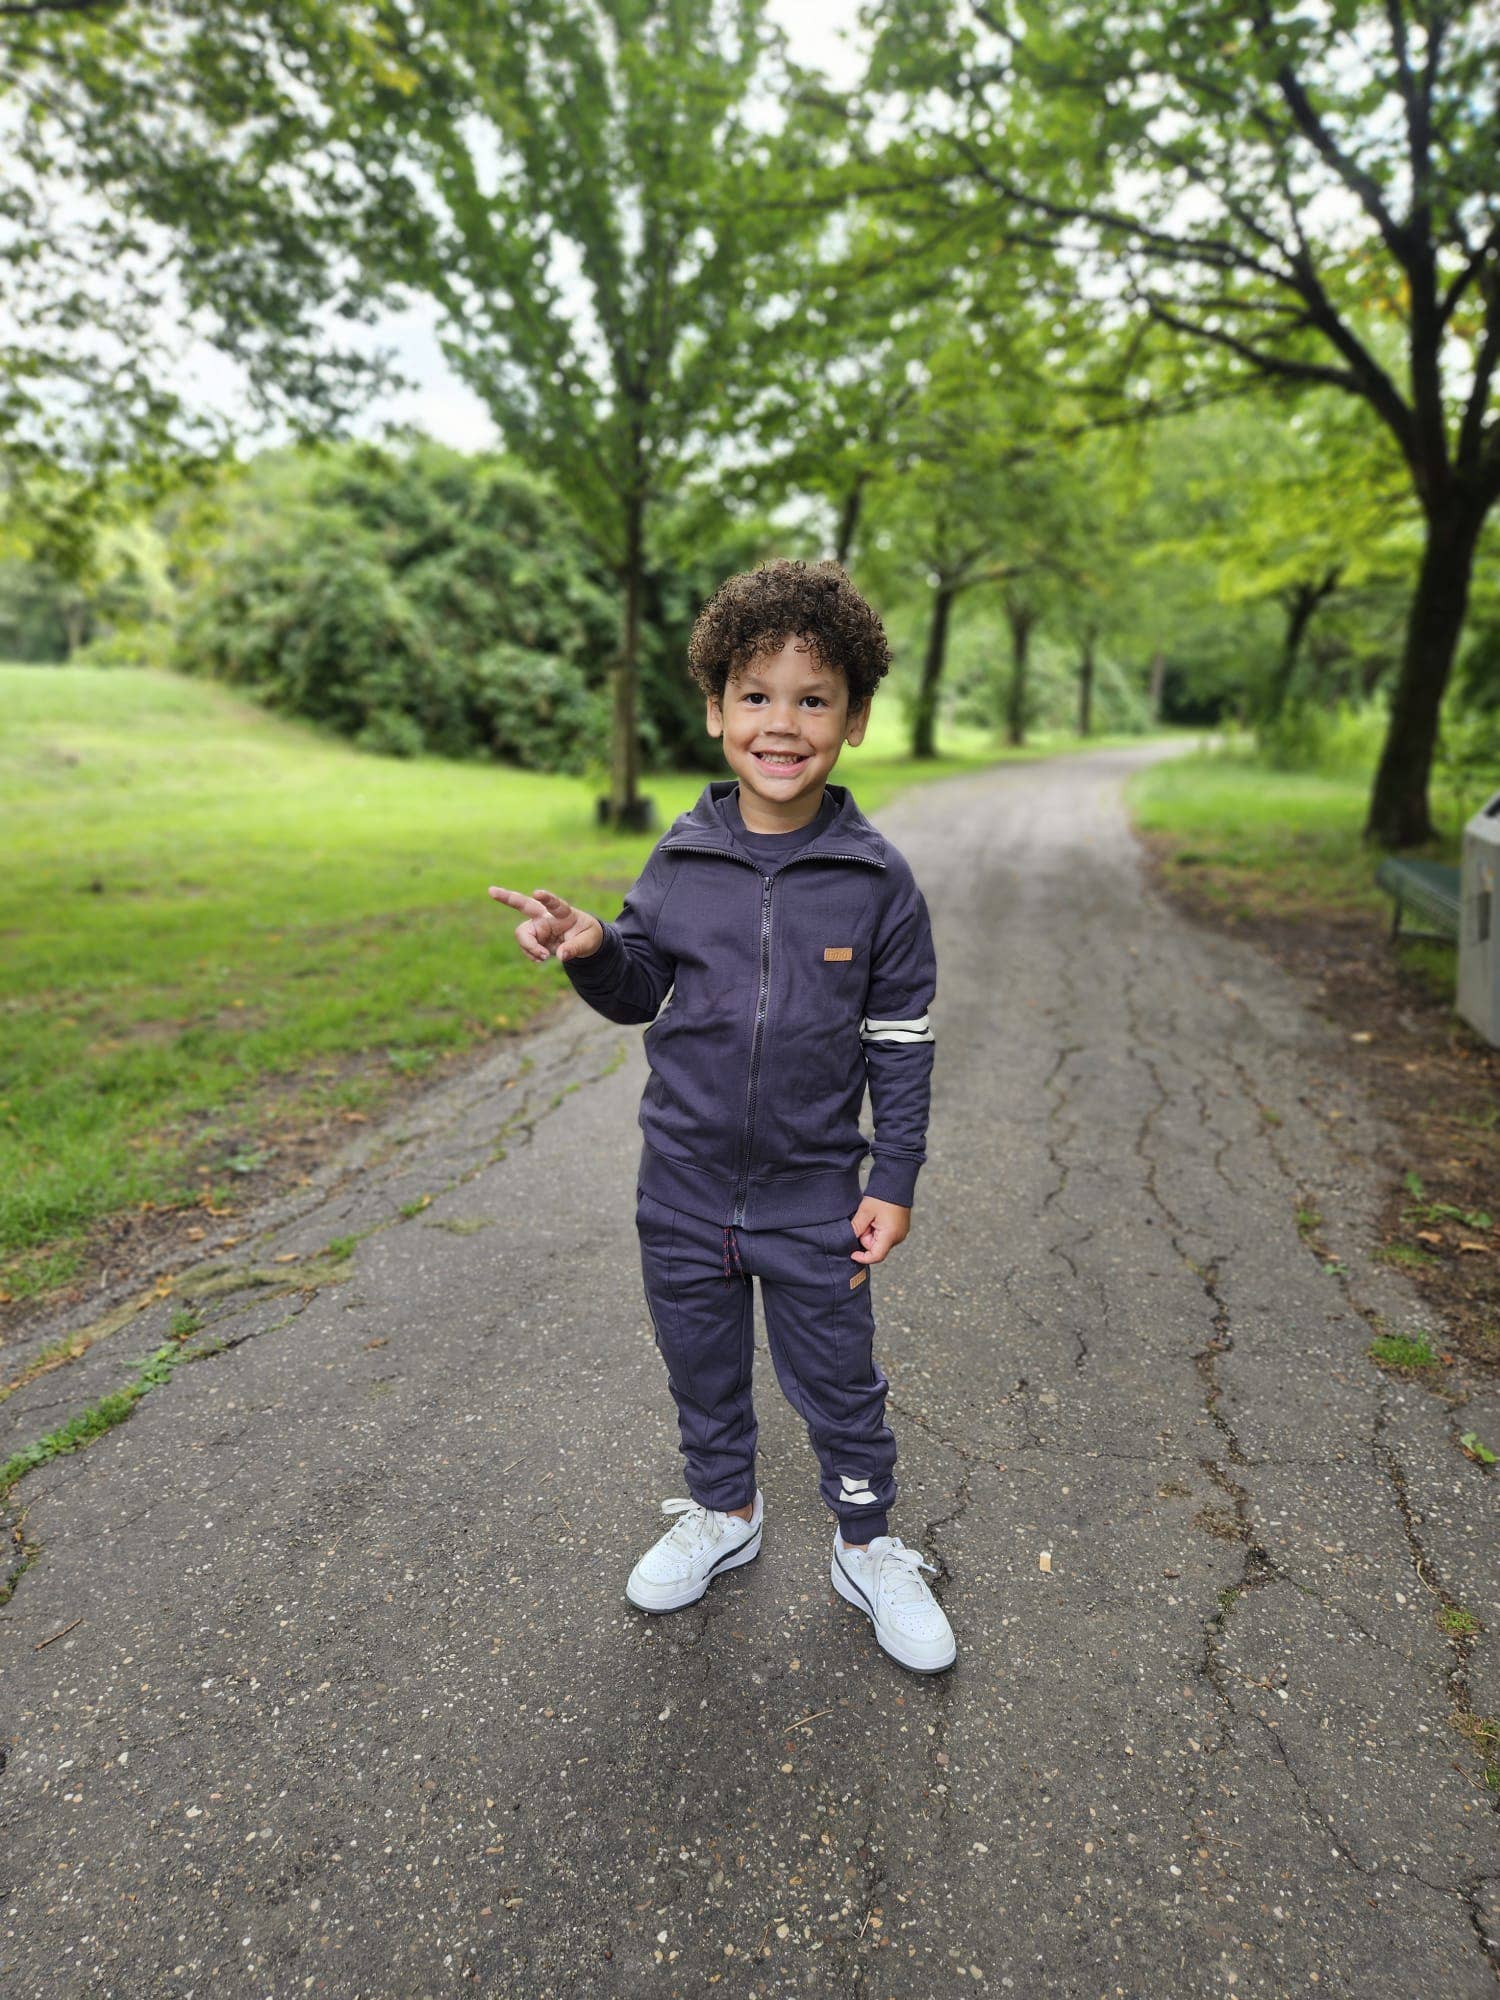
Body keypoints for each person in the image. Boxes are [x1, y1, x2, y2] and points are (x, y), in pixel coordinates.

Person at [488, 558, 955, 1674]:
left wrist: (893, 1179)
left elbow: (901, 1042)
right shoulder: (683, 855)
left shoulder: (876, 880)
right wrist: (595, 948)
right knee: (700, 1366)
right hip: (684, 1192)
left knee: (839, 1381)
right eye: (756, 695)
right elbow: (639, 988)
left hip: (813, 1199)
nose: (781, 723)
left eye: (813, 698)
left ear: (854, 719)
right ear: (715, 709)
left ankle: (867, 1543)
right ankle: (723, 1511)